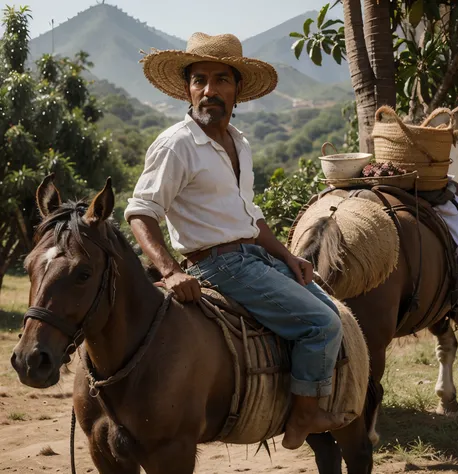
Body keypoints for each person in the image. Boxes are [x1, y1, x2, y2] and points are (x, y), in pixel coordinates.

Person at [124, 32, 344, 450]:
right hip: (219, 266)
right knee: (321, 324)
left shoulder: (238, 143)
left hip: (255, 257)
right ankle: (303, 418)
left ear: (237, 89)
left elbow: (249, 218)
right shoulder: (177, 145)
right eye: (199, 80)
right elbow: (140, 211)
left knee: (333, 308)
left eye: (221, 79)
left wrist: (289, 257)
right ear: (187, 90)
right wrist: (170, 271)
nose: (210, 90)